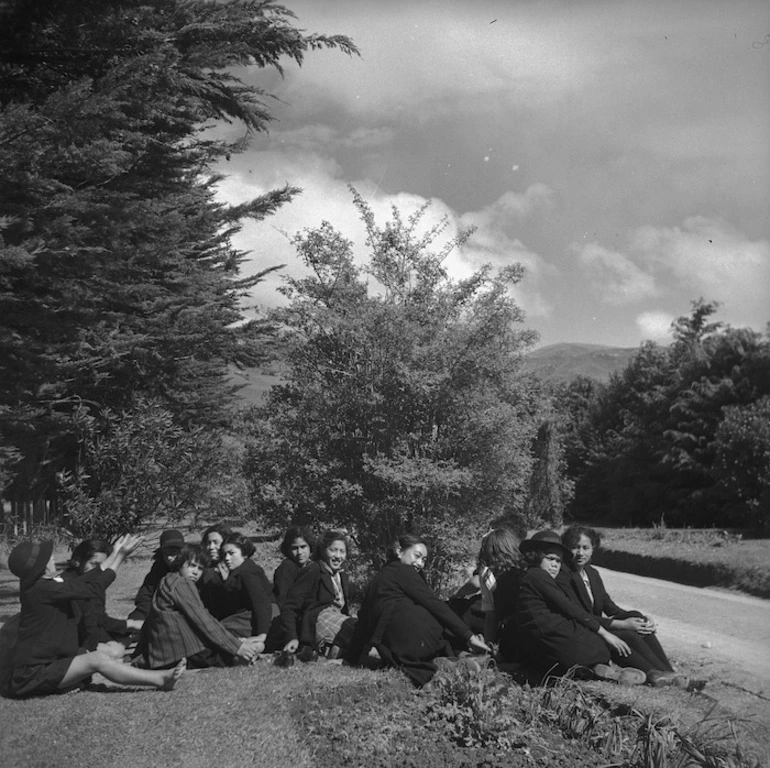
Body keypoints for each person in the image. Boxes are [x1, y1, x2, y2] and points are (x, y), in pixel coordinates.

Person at [7, 535, 185, 697]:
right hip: (33, 675)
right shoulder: (44, 589)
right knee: (98, 659)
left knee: (108, 652)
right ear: (43, 566)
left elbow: (87, 579)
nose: (53, 558)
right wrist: (119, 556)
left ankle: (71, 682)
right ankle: (161, 679)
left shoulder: (43, 586)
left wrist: (117, 553)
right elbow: (93, 587)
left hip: (53, 661)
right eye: (49, 557)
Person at [347, 534, 490, 686]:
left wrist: (350, 658)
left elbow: (363, 621)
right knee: (444, 616)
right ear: (399, 551)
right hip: (415, 641)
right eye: (417, 556)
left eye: (423, 560)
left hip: (396, 649)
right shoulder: (403, 570)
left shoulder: (376, 580)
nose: (420, 563)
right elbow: (434, 604)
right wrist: (469, 636)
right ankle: (461, 660)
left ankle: (457, 659)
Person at [558, 526, 687, 687]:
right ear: (567, 549)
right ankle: (659, 674)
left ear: (593, 549)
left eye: (585, 548)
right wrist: (623, 624)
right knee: (628, 634)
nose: (580, 553)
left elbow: (609, 607)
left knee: (636, 617)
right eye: (575, 547)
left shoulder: (592, 573)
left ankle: (669, 672)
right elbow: (580, 615)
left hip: (598, 625)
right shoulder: (563, 575)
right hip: (583, 629)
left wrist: (642, 619)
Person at [515, 529, 646, 685]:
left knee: (597, 643)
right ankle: (651, 674)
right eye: (550, 559)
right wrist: (604, 633)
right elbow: (568, 607)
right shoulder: (537, 575)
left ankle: (595, 669)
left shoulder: (534, 577)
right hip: (554, 640)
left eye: (558, 561)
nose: (554, 565)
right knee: (606, 642)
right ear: (536, 557)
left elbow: (605, 605)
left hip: (551, 646)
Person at [142, 543, 263, 668]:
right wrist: (237, 648)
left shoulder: (167, 579)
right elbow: (201, 618)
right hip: (181, 649)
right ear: (180, 563)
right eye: (192, 566)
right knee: (234, 654)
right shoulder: (182, 583)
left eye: (200, 568)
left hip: (164, 649)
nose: (195, 572)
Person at [281, 529, 356, 660]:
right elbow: (290, 606)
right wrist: (292, 637)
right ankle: (333, 647)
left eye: (342, 551)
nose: (338, 556)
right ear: (322, 550)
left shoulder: (342, 576)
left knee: (361, 627)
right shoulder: (314, 570)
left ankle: (336, 648)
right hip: (318, 620)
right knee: (354, 628)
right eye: (333, 550)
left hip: (337, 618)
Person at [64, 539, 143, 657]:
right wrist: (131, 624)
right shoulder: (72, 585)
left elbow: (98, 619)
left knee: (124, 639)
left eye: (104, 564)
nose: (100, 569)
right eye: (94, 564)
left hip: (86, 630)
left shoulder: (91, 581)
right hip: (72, 637)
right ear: (77, 562)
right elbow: (97, 622)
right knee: (116, 650)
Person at [215, 532, 275, 656]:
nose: (226, 558)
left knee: (219, 631)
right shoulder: (239, 571)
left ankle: (256, 645)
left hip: (264, 617)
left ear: (245, 553)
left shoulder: (248, 572)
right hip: (252, 616)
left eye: (231, 553)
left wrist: (262, 635)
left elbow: (261, 602)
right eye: (224, 554)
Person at [475, 528, 524, 661]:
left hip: (510, 634)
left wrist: (488, 647)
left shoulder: (487, 574)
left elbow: (490, 617)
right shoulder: (526, 568)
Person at [128, 529, 185, 621]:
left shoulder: (191, 566)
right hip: (159, 611)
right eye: (166, 553)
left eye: (174, 553)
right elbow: (145, 596)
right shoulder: (159, 567)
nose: (169, 557)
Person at [272, 526, 315, 609]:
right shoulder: (286, 568)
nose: (299, 552)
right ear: (288, 549)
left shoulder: (312, 566)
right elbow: (282, 599)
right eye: (295, 548)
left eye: (303, 547)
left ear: (310, 546)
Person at [196, 524, 232, 614]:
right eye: (208, 543)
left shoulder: (238, 567)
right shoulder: (202, 569)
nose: (211, 547)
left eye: (216, 542)